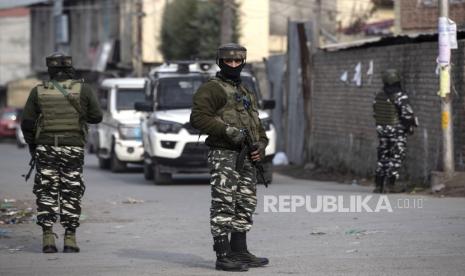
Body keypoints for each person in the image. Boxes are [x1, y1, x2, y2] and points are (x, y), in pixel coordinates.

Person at [190, 43, 269, 272]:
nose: (233, 65)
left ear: (243, 62)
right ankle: (223, 255)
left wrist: (261, 146)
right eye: (228, 61)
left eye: (237, 61)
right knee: (224, 203)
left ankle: (240, 251)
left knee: (245, 203)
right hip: (224, 154)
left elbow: (258, 127)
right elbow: (198, 118)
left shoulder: (245, 92)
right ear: (220, 62)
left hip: (246, 157)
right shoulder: (212, 89)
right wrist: (228, 131)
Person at [21, 52, 102, 253]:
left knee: (46, 191)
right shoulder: (84, 90)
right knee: (71, 191)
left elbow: (27, 124)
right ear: (70, 68)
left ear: (50, 70)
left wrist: (34, 147)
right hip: (73, 148)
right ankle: (70, 239)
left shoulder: (38, 91)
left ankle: (48, 238)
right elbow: (97, 117)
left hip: (46, 148)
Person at [373, 68, 417, 193]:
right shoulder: (400, 95)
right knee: (397, 156)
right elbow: (407, 114)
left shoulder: (378, 94)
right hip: (396, 129)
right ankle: (390, 185)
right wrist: (409, 126)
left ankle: (378, 185)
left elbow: (376, 111)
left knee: (383, 155)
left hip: (382, 129)